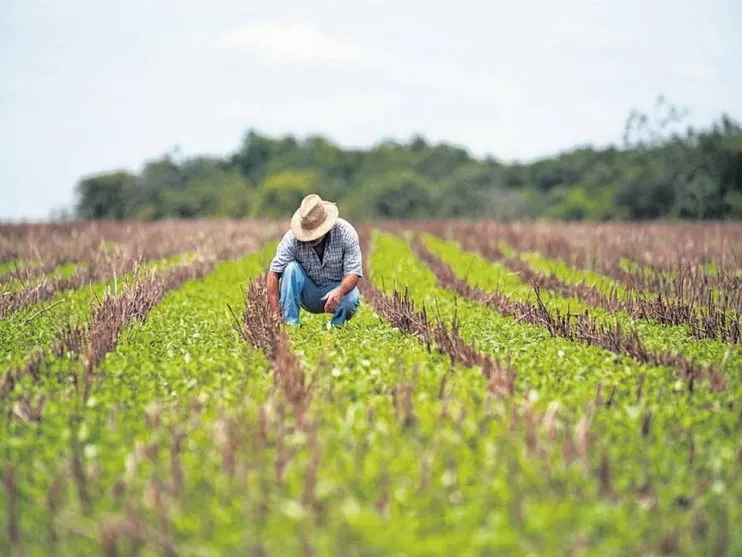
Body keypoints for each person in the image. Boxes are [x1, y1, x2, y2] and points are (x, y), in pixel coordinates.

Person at [267, 194, 362, 327]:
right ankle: (290, 325)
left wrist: (340, 291)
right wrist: (275, 314)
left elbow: (353, 272)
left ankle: (337, 327)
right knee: (291, 269)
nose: (312, 238)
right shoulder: (291, 239)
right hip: (308, 293)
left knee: (351, 298)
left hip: (336, 289)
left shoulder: (345, 233)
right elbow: (273, 273)